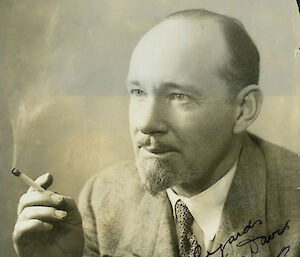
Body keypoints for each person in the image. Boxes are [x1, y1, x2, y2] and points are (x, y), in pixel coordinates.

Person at [12, 9, 300, 257]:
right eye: (138, 91)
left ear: (243, 110)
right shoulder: (103, 198)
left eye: (178, 95)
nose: (146, 123)